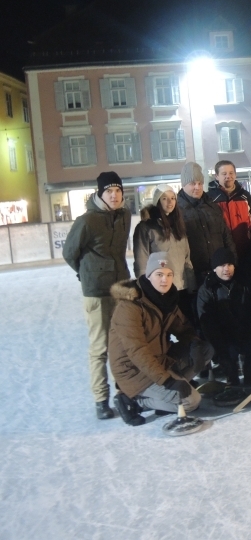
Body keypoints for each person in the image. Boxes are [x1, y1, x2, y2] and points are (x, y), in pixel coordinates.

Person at [109, 252, 214, 426]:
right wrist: (168, 381)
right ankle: (135, 401)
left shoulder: (166, 299)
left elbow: (183, 328)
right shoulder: (130, 306)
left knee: (205, 350)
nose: (164, 280)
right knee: (191, 402)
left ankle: (170, 393)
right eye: (159, 274)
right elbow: (137, 351)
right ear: (148, 276)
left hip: (159, 359)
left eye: (169, 274)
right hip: (134, 369)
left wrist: (194, 343)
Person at [63, 171, 132, 420]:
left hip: (121, 288)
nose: (114, 195)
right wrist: (88, 274)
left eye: (117, 191)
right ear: (100, 194)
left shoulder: (124, 216)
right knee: (100, 346)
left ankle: (124, 391)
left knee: (122, 343)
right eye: (108, 191)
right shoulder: (87, 220)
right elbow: (69, 253)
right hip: (97, 293)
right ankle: (101, 399)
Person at [197, 248, 251, 388]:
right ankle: (231, 377)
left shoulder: (246, 282)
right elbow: (206, 322)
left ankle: (250, 373)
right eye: (222, 265)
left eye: (229, 264)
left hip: (246, 330)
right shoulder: (207, 289)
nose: (226, 269)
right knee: (224, 351)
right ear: (214, 268)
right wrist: (218, 342)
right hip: (223, 335)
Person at [176, 161, 236, 316]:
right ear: (184, 184)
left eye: (200, 183)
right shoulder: (177, 211)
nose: (197, 187)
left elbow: (226, 236)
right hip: (194, 274)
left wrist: (232, 260)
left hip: (218, 272)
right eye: (192, 183)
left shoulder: (212, 206)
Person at [133, 184, 194, 298]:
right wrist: (146, 290)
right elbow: (142, 263)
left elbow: (187, 259)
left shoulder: (178, 226)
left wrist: (192, 286)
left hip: (182, 287)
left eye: (173, 198)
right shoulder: (147, 227)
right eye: (164, 198)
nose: (170, 202)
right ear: (157, 201)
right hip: (160, 289)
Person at [207, 160, 251, 258]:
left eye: (231, 173)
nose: (228, 176)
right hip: (222, 251)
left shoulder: (245, 196)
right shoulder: (209, 198)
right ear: (217, 176)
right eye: (224, 174)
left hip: (245, 249)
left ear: (235, 175)